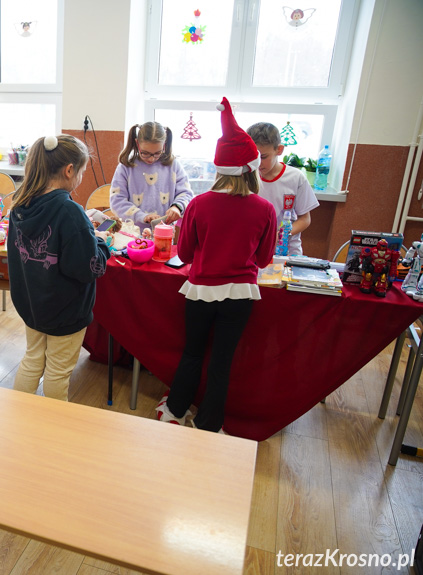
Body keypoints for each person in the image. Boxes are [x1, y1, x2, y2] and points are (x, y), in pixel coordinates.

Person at [157, 98, 277, 434]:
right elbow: (265, 259)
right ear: (253, 168)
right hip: (240, 295)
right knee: (222, 362)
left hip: (199, 290)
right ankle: (210, 424)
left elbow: (188, 253)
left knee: (192, 353)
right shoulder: (264, 209)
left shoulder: (198, 204)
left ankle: (176, 409)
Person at [7, 134, 110, 401]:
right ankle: (54, 429)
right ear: (68, 170)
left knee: (32, 359)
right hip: (65, 310)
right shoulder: (70, 211)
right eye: (82, 171)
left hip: (32, 303)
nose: (81, 177)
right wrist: (101, 244)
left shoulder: (20, 205)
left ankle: (19, 415)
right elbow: (88, 268)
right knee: (58, 371)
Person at [246, 122, 320, 256]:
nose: (258, 163)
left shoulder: (296, 177)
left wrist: (281, 235)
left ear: (279, 150)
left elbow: (305, 219)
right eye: (253, 157)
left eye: (263, 157)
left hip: (287, 252)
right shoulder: (245, 177)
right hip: (253, 251)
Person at [110, 122, 193, 233]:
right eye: (145, 153)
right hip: (134, 233)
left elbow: (186, 194)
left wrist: (177, 207)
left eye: (157, 153)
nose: (151, 159)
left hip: (165, 234)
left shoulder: (173, 165)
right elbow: (117, 201)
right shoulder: (126, 167)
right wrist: (142, 216)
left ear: (164, 145)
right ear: (137, 144)